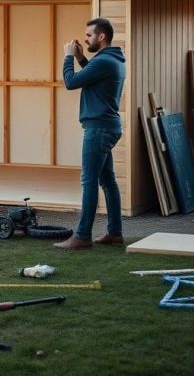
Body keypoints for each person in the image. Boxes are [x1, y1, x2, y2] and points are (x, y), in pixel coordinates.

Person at [54, 17, 126, 251]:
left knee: (89, 181)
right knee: (107, 181)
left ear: (101, 37)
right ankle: (115, 233)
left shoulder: (105, 61)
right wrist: (81, 58)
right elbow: (91, 76)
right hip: (107, 126)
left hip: (99, 129)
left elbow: (71, 82)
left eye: (89, 35)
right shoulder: (110, 59)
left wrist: (67, 56)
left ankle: (83, 235)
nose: (85, 39)